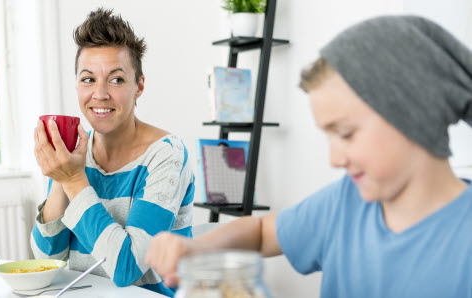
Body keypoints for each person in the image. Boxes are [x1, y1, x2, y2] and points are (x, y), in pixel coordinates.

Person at [145, 15, 472, 297]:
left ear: (414, 114)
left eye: (346, 134)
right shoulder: (347, 202)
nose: (334, 159)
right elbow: (260, 233)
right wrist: (196, 249)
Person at [31, 8, 194, 297]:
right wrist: (60, 176)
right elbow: (47, 259)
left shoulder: (167, 155)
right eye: (88, 79)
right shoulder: (75, 154)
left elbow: (127, 268)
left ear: (139, 86)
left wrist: (73, 180)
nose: (100, 94)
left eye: (117, 79)